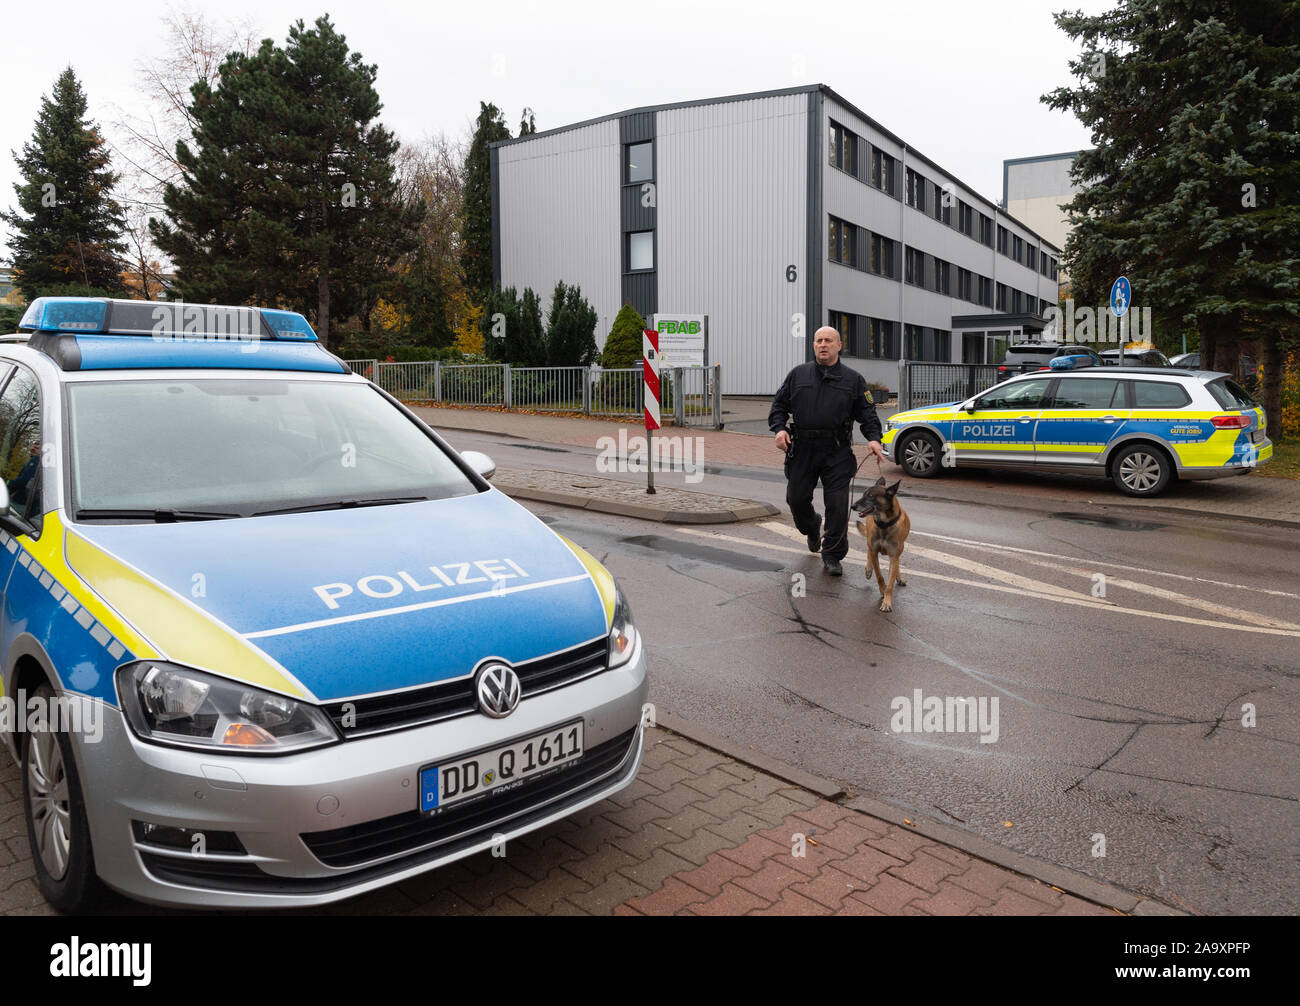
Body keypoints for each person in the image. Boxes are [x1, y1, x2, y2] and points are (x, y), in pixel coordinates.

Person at [769, 326, 884, 576]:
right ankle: (812, 526)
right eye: (819, 340)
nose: (823, 344)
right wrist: (779, 430)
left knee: (838, 504)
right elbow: (778, 407)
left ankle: (832, 554)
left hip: (837, 451)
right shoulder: (797, 375)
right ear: (813, 345)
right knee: (796, 499)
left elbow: (867, 415)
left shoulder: (853, 380)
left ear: (839, 346)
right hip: (802, 449)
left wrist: (874, 439)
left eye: (828, 341)